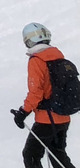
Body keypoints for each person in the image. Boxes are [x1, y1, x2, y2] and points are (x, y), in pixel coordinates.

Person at [13, 23, 76, 168]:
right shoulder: (57, 57)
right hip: (64, 116)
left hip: (47, 120)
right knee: (58, 154)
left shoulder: (37, 61)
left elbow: (36, 93)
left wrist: (23, 112)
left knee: (31, 155)